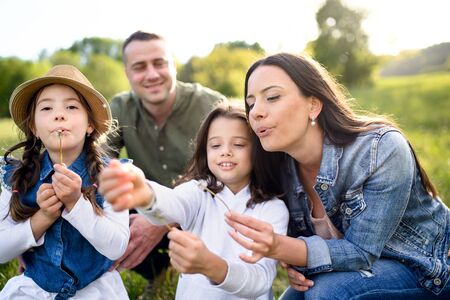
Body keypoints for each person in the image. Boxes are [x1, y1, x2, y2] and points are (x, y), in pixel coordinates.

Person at [224, 53, 450, 299]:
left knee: (327, 293)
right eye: (251, 103)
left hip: (426, 269)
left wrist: (282, 248)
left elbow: (362, 252)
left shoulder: (379, 149)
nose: (256, 112)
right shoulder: (280, 169)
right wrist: (294, 262)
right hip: (353, 273)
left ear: (313, 105)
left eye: (272, 97)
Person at [98, 103, 289, 299]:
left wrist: (211, 266)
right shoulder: (199, 191)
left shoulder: (273, 209)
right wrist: (146, 194)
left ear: (258, 150)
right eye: (215, 145)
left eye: (238, 144)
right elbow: (172, 205)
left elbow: (260, 280)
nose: (225, 151)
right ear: (205, 151)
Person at [0, 65, 130, 299]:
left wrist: (75, 203)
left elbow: (117, 246)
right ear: (34, 127)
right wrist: (42, 218)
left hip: (94, 291)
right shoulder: (16, 177)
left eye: (71, 107)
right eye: (47, 107)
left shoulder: (112, 175)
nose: (59, 114)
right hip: (36, 290)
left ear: (90, 124)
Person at [108, 30, 227, 280]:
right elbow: (91, 165)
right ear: (127, 73)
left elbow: (233, 177)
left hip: (209, 211)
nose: (151, 74)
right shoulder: (119, 108)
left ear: (173, 64)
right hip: (148, 207)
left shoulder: (212, 106)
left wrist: (163, 221)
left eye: (159, 63)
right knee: (110, 212)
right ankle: (157, 272)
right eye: (139, 67)